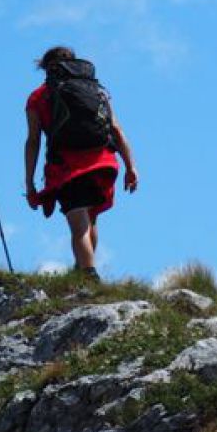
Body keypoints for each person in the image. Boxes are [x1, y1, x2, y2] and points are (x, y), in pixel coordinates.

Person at [24, 46, 139, 280]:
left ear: (47, 68)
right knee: (90, 218)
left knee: (78, 226)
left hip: (68, 168)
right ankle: (83, 270)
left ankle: (88, 275)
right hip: (103, 163)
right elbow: (116, 129)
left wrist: (29, 181)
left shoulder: (38, 97)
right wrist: (131, 166)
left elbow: (33, 140)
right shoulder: (97, 90)